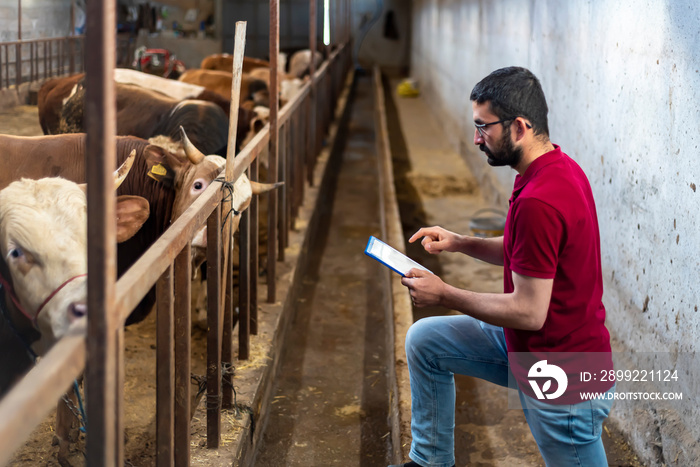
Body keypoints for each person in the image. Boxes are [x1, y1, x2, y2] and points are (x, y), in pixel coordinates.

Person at [390, 67, 615, 467]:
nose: (477, 139)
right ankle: (430, 462)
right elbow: (524, 251)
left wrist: (445, 294)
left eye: (484, 128)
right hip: (534, 348)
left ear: (520, 127)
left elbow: (529, 312)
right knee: (425, 342)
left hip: (561, 371)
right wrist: (460, 242)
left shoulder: (538, 202)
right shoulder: (550, 169)